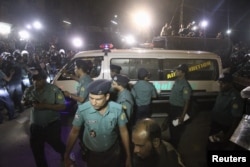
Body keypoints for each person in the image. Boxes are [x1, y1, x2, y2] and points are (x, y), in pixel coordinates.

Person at [64, 79, 132, 167]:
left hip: (113, 152)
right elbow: (74, 132)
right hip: (92, 154)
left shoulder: (117, 109)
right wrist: (66, 154)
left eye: (98, 99)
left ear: (107, 97)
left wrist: (128, 156)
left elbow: (124, 131)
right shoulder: (83, 109)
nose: (93, 102)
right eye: (91, 98)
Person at [21, 71, 66, 167]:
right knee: (37, 151)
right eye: (34, 80)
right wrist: (25, 103)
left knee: (57, 145)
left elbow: (62, 106)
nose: (36, 83)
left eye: (39, 80)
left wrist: (45, 105)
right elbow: (23, 101)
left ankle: (65, 154)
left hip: (52, 125)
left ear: (44, 80)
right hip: (35, 126)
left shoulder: (54, 90)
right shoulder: (29, 90)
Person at [208, 73, 244, 150]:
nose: (220, 85)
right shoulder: (222, 91)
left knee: (218, 147)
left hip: (224, 128)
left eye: (223, 83)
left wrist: (227, 136)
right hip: (215, 125)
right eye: (220, 83)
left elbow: (236, 118)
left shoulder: (235, 97)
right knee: (210, 145)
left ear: (230, 83)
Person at [168, 64, 192, 148]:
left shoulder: (185, 86)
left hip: (178, 110)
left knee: (176, 130)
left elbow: (187, 102)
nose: (176, 72)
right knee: (171, 127)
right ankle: (172, 143)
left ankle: (174, 148)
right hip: (172, 108)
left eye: (178, 71)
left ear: (183, 73)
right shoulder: (177, 81)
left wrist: (182, 116)